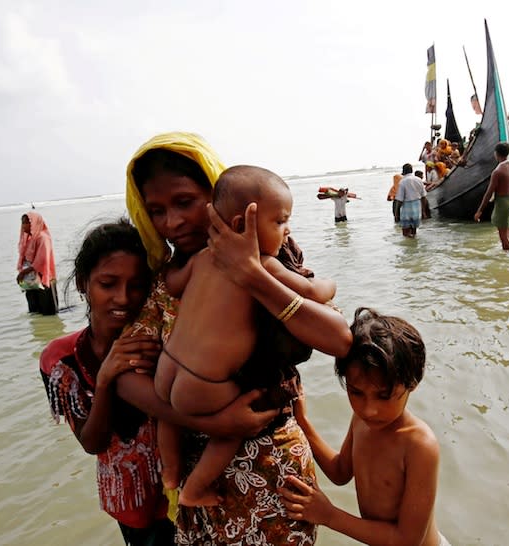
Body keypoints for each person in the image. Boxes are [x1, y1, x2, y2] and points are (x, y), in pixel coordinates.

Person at [123, 132, 353, 545]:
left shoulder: (275, 256)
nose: (172, 222)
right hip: (204, 482)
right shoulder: (160, 280)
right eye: (156, 211)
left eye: (184, 202)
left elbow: (339, 338)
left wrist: (251, 274)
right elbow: (126, 376)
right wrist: (214, 422)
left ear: (218, 200)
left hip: (273, 471)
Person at [154, 165, 339, 507]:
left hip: (168, 368)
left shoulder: (202, 258)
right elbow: (312, 292)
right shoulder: (264, 265)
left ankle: (171, 470)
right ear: (242, 226)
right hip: (204, 383)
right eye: (280, 221)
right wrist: (331, 284)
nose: (287, 230)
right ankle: (194, 489)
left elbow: (173, 284)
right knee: (239, 423)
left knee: (167, 411)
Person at [39, 220, 175, 544]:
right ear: (84, 283)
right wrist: (104, 381)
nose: (123, 298)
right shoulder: (60, 360)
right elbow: (92, 443)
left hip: (184, 492)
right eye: (108, 284)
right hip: (129, 503)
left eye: (137, 285)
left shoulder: (164, 342)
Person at [280, 307, 449, 546]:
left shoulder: (418, 445)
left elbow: (407, 540)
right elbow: (340, 472)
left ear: (412, 384)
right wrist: (304, 423)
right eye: (356, 392)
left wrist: (329, 515)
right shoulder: (361, 420)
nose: (369, 409)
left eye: (384, 396)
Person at [474, 142, 509, 251]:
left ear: (496, 154)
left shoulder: (497, 171)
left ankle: (507, 262)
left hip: (503, 203)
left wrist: (479, 211)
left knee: (503, 236)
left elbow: (488, 193)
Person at [16, 211, 58, 315]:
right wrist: (23, 273)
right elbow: (26, 259)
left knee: (48, 313)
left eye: (26, 222)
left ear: (34, 223)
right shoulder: (29, 239)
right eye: (22, 223)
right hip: (32, 282)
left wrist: (23, 273)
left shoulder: (43, 238)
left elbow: (42, 260)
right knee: (35, 313)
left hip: (44, 280)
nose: (23, 226)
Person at [394, 163, 428, 238]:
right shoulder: (419, 180)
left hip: (407, 209)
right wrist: (423, 211)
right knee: (414, 233)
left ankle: (410, 248)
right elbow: (424, 197)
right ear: (412, 170)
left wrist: (396, 214)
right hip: (417, 208)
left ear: (403, 171)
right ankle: (415, 248)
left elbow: (399, 200)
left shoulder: (402, 182)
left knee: (406, 235)